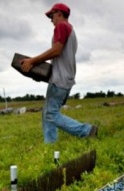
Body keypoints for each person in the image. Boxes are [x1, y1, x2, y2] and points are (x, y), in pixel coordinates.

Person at [20, 3, 98, 143]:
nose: (51, 19)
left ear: (59, 14)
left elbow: (56, 51)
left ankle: (86, 131)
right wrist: (40, 73)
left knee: (51, 114)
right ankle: (50, 143)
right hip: (63, 78)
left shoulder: (61, 26)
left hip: (60, 80)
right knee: (47, 113)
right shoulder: (70, 30)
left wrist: (32, 61)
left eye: (51, 15)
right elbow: (60, 59)